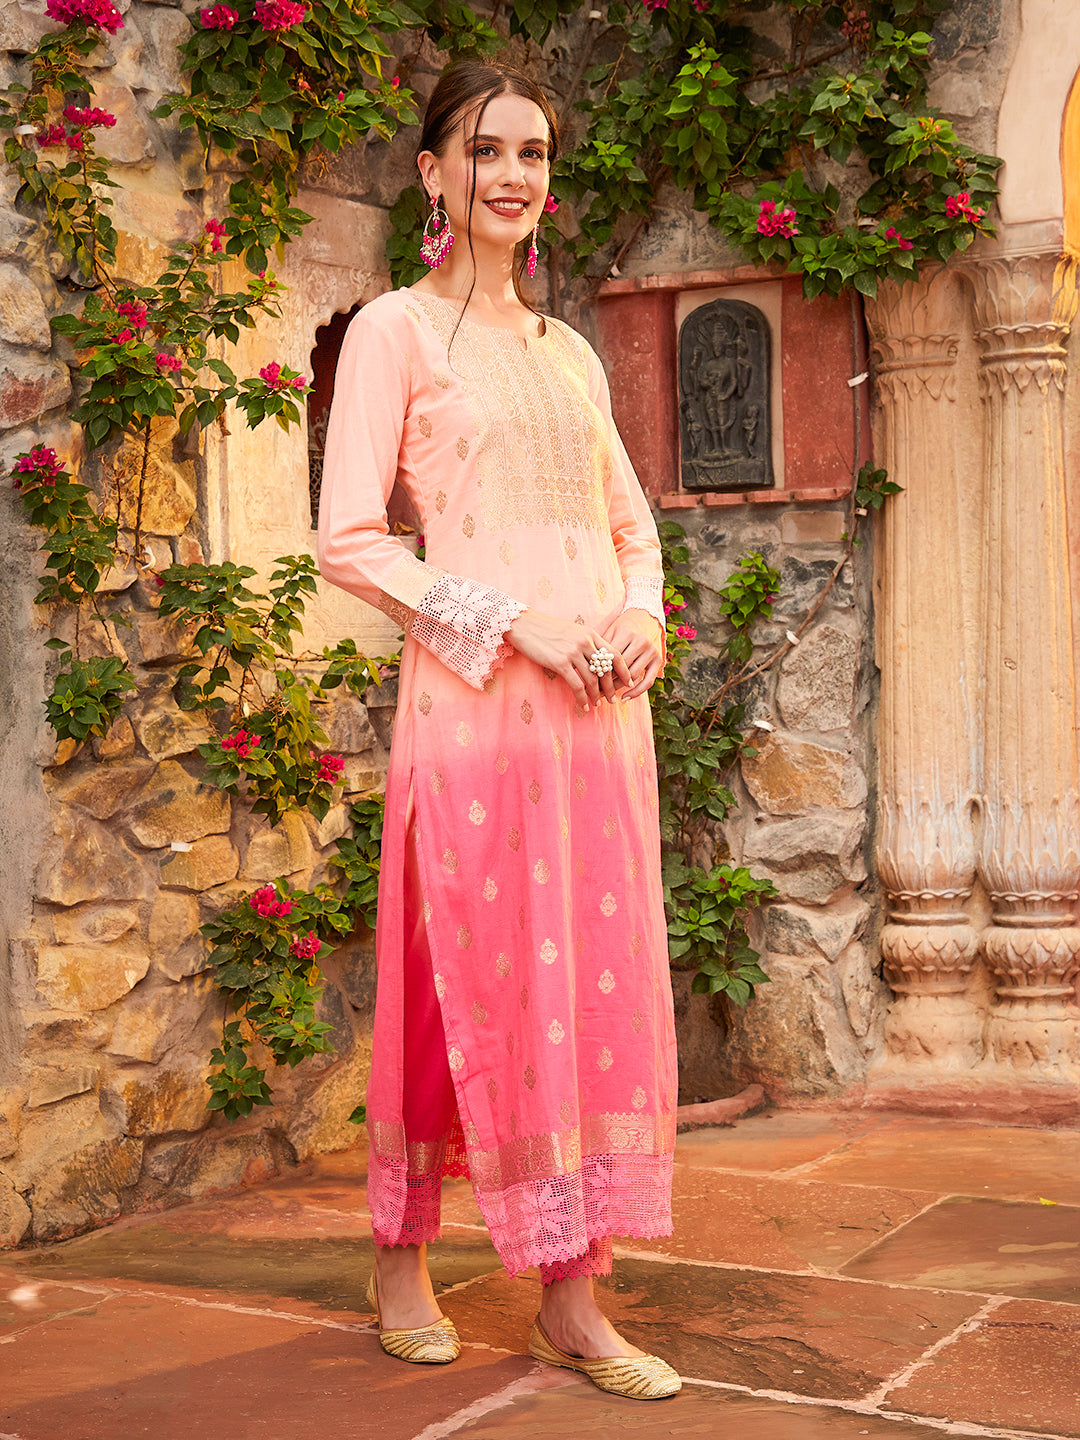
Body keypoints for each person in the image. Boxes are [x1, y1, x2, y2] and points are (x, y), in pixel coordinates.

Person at [317, 58, 680, 1401]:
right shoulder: (396, 333)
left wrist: (641, 615)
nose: (513, 175)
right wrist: (513, 623)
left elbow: (632, 527)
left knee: (588, 986)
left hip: (595, 723)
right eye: (486, 150)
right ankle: (400, 1260)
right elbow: (351, 540)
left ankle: (572, 1300)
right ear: (435, 173)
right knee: (450, 981)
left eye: (532, 152)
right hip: (474, 711)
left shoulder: (567, 351)